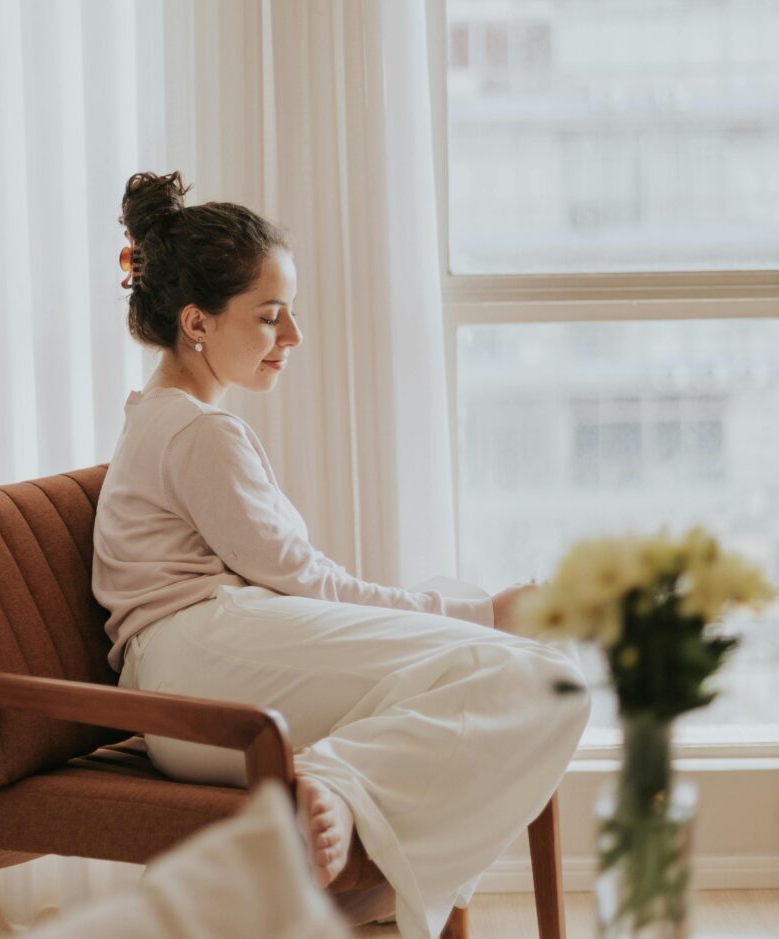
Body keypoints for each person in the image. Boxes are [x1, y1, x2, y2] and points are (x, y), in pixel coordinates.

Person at [92, 171, 591, 939]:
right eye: (269, 317)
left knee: (520, 663)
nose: (292, 337)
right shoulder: (199, 432)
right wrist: (486, 612)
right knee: (545, 677)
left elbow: (297, 581)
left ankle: (353, 879)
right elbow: (309, 580)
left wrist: (472, 610)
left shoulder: (162, 418)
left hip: (203, 661)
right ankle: (337, 786)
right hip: (206, 673)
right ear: (197, 321)